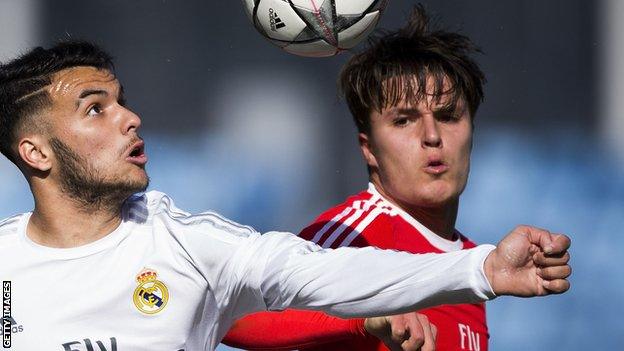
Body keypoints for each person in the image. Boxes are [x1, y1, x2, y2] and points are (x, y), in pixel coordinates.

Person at [0, 41, 571, 351]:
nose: (130, 118)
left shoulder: (192, 245)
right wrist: (356, 327)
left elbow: (315, 275)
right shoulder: (6, 267)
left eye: (449, 116)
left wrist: (482, 269)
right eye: (96, 108)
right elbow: (258, 323)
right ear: (37, 152)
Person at [223, 5, 559, 351]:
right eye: (404, 120)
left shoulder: (471, 261)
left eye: (448, 116)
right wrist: (362, 320)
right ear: (368, 148)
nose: (432, 136)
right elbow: (235, 314)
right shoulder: (354, 235)